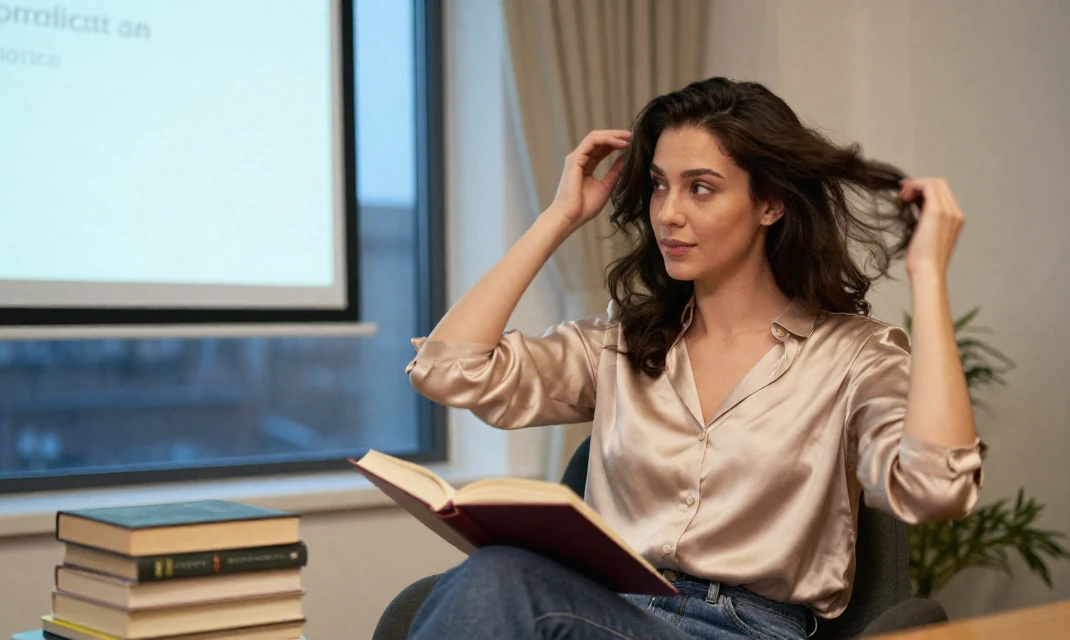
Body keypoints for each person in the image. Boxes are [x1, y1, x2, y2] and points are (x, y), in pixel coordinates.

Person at [403, 77, 985, 640]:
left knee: (499, 579)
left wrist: (928, 276)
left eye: (700, 188)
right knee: (494, 578)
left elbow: (938, 490)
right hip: (608, 614)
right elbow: (449, 370)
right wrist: (558, 219)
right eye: (659, 185)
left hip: (746, 630)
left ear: (770, 204)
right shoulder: (620, 343)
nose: (667, 213)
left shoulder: (855, 355)